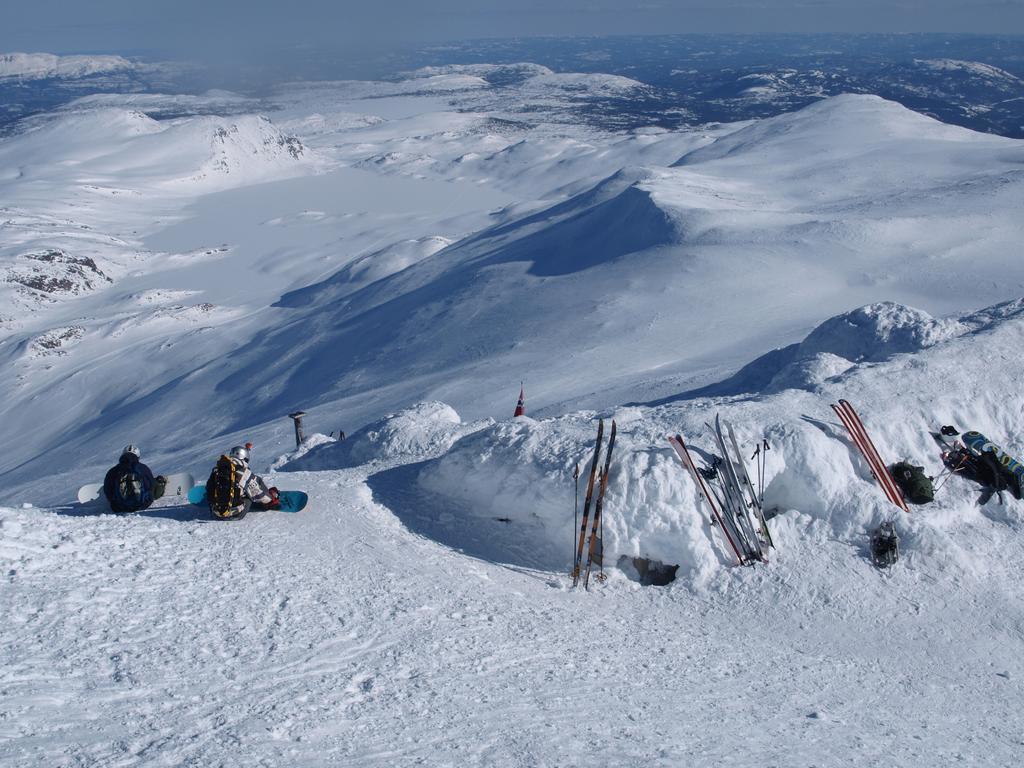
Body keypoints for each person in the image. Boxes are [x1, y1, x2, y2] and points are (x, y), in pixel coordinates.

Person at [206, 445, 280, 520]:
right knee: (253, 487)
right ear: (243, 458)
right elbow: (257, 493)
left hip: (215, 512)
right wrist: (271, 500)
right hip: (234, 514)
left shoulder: (218, 469)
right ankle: (268, 496)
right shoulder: (244, 472)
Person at [103, 444, 166, 513]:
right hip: (142, 505)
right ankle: (161, 484)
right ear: (138, 456)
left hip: (119, 507)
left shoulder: (113, 471)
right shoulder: (143, 468)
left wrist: (114, 502)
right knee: (155, 483)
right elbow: (151, 485)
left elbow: (107, 489)